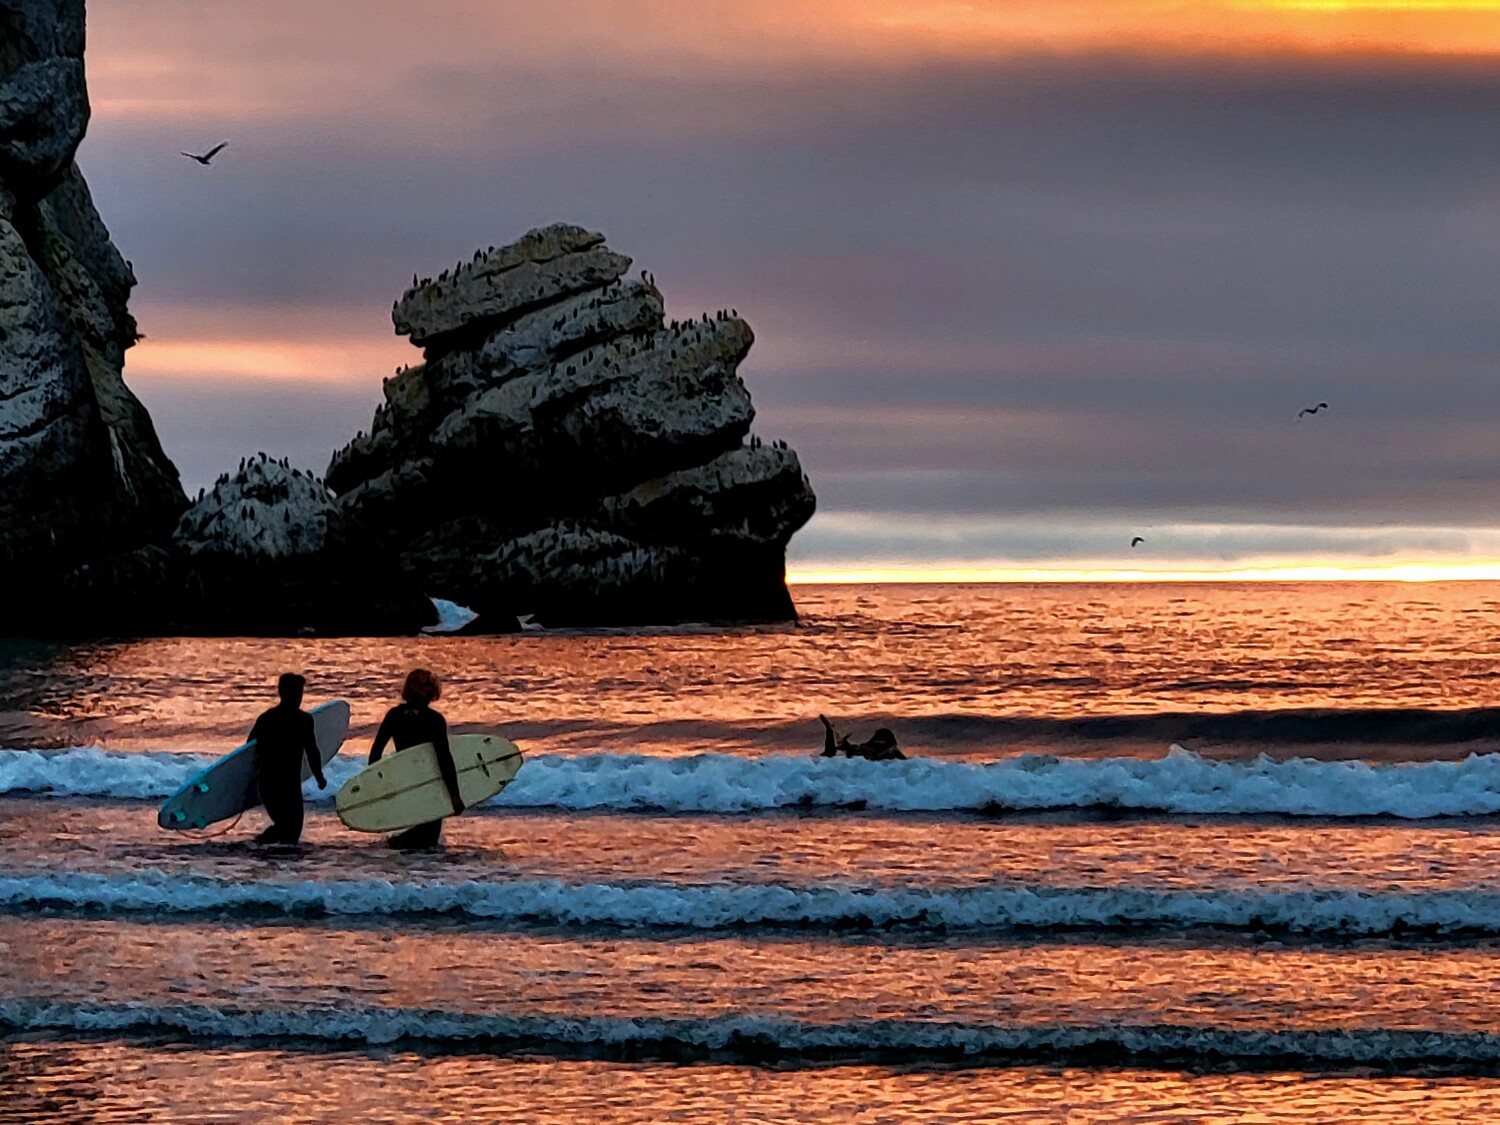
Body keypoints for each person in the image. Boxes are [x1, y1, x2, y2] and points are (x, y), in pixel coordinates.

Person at [370, 668, 465, 850]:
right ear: (431, 691)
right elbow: (444, 758)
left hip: (404, 780)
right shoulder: (434, 720)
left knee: (417, 831)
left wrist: (377, 786)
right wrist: (454, 794)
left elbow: (376, 753)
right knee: (428, 838)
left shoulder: (394, 715)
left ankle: (405, 864)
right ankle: (412, 864)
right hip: (429, 781)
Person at [248, 672, 327, 844]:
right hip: (279, 784)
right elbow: (312, 751)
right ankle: (258, 846)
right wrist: (319, 777)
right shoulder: (302, 720)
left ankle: (267, 854)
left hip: (276, 785)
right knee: (288, 829)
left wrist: (319, 776)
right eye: (297, 693)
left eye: (300, 693)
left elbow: (249, 750)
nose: (299, 697)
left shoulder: (267, 718)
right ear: (285, 693)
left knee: (290, 832)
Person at [819, 715, 906, 761]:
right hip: (867, 755)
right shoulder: (891, 752)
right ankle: (831, 733)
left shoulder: (867, 746)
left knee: (832, 754)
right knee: (835, 753)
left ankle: (830, 732)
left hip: (859, 752)